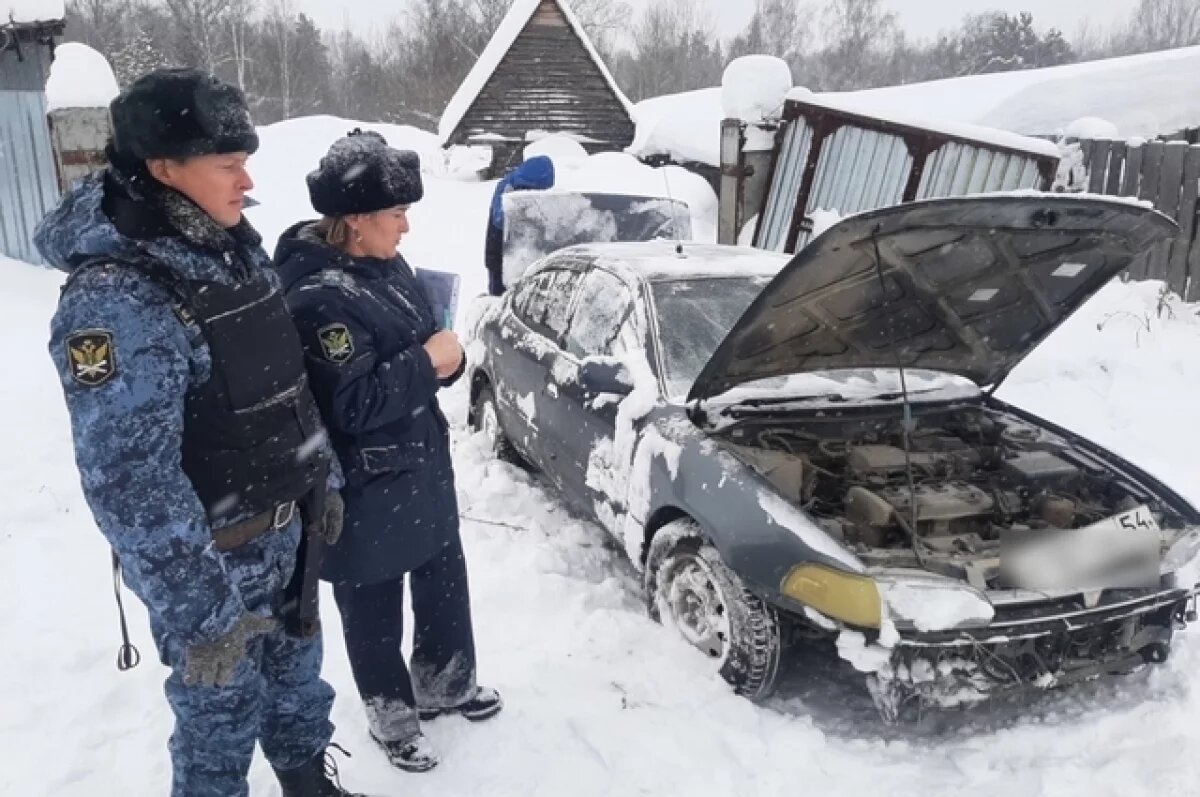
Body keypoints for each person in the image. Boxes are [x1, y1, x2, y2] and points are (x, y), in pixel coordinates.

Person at [37, 68, 373, 797]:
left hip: (288, 531)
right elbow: (130, 480)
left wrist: (325, 481)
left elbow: (285, 380)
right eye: (227, 162)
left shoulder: (228, 247)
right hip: (213, 562)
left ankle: (309, 785)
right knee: (219, 724)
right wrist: (201, 612)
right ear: (163, 167)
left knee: (295, 687)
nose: (246, 179)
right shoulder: (119, 297)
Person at [273, 129, 502, 774]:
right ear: (354, 222)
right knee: (372, 603)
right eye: (396, 214)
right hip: (367, 486)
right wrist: (431, 363)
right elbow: (354, 404)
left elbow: (423, 342)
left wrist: (445, 360)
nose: (405, 227)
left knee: (442, 579)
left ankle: (446, 683)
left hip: (420, 462)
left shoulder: (384, 265)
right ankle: (392, 716)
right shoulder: (320, 297)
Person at [484, 154, 555, 296]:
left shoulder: (523, 182)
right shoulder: (508, 189)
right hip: (500, 251)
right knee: (500, 296)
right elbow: (500, 221)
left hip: (522, 253)